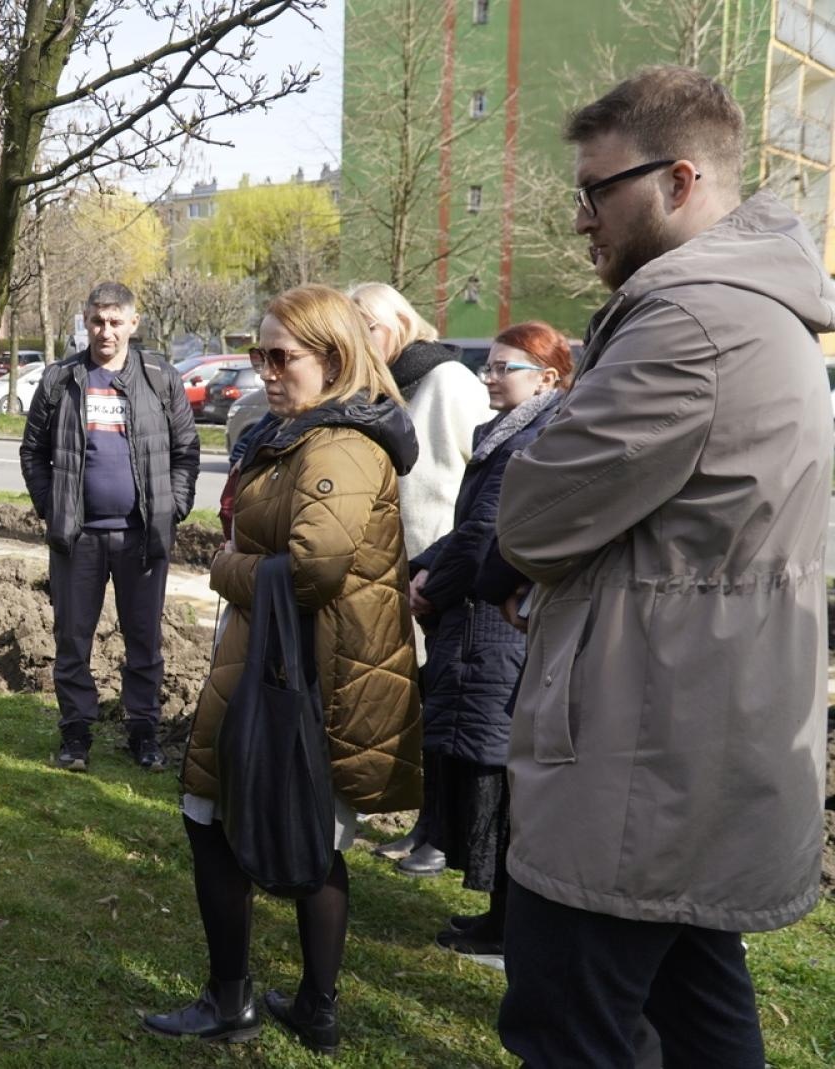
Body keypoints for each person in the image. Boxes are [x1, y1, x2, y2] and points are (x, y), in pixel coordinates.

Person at [495, 66, 834, 1067]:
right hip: (692, 752)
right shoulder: (759, 312)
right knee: (698, 1012)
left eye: (596, 192)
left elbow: (531, 518)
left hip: (637, 764)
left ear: (679, 179)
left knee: (571, 1033)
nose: (580, 220)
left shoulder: (688, 325)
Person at [145, 284, 421, 1052]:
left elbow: (311, 569)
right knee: (310, 834)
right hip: (295, 660)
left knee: (212, 816)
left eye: (280, 356)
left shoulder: (337, 444)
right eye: (259, 352)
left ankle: (235, 1000)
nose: (263, 369)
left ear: (333, 359)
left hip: (307, 671)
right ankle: (312, 1006)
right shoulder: (312, 430)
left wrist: (228, 567)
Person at [405, 321, 570, 957]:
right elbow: (468, 527)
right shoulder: (505, 434)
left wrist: (432, 587)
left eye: (506, 367)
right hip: (481, 619)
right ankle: (500, 921)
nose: (489, 377)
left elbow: (488, 536)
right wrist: (425, 563)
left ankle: (511, 930)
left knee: (502, 782)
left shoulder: (534, 439)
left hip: (498, 627)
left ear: (547, 379)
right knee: (492, 776)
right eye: (491, 365)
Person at [19, 281, 200, 773]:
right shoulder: (62, 379)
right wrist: (51, 506)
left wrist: (173, 506)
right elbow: (32, 452)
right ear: (85, 320)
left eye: (116, 321)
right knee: (72, 639)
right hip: (78, 538)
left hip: (143, 538)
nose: (106, 331)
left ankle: (143, 731)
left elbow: (186, 449)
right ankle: (76, 733)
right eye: (97, 321)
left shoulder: (160, 377)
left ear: (133, 324)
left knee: (143, 639)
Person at [349, 281, 491, 877]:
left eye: (367, 333)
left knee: (437, 702)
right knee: (405, 698)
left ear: (397, 324)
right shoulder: (383, 384)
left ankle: (437, 830)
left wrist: (446, 562)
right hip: (393, 568)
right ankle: (416, 818)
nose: (361, 346)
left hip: (437, 571)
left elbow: (481, 468)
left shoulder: (448, 381)